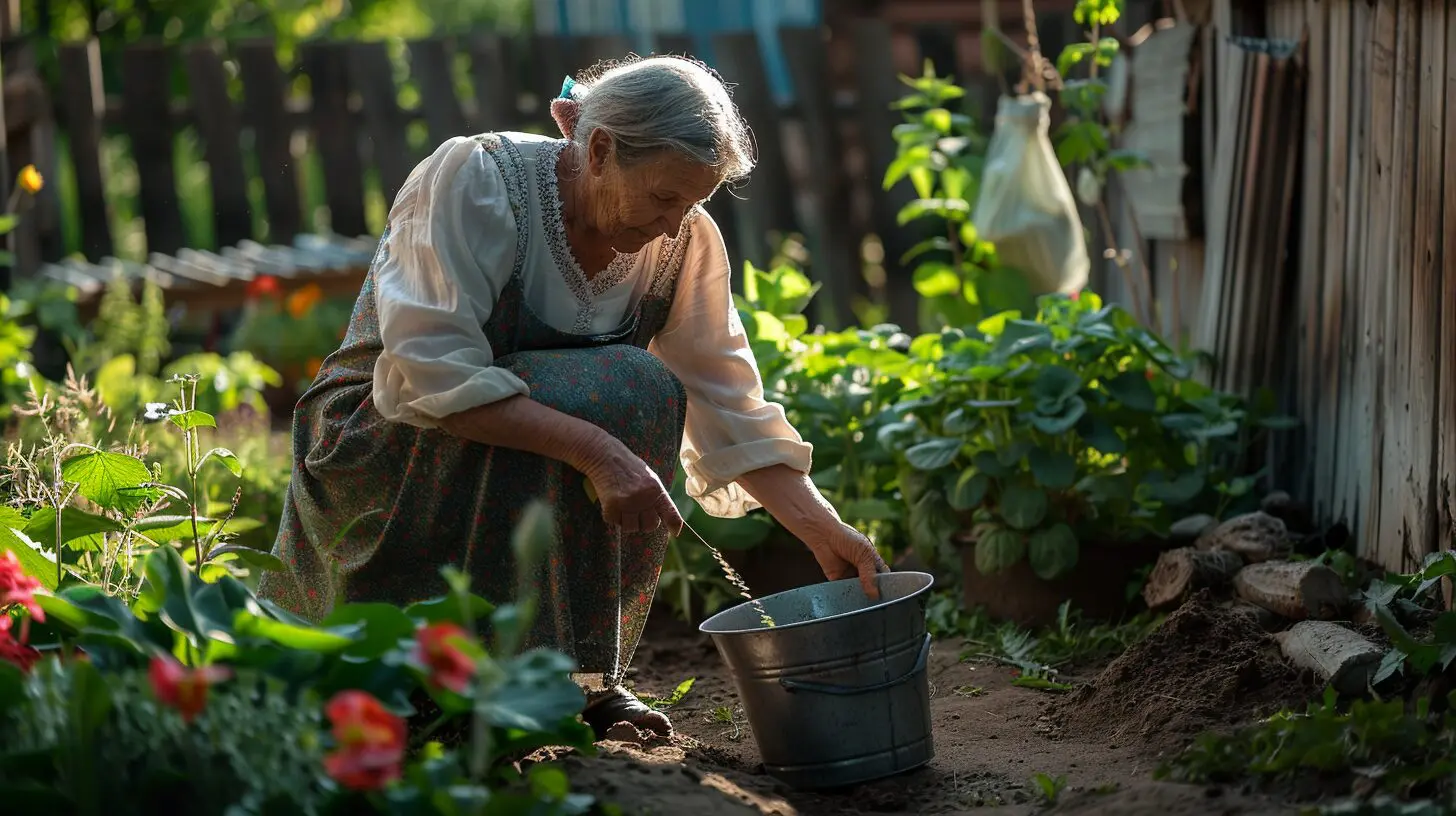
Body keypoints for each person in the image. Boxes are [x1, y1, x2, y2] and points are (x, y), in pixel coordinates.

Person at [258, 55, 889, 738]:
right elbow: (430, 374)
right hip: (384, 440)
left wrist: (826, 531)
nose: (676, 225)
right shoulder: (477, 183)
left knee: (636, 391)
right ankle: (428, 682)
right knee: (621, 385)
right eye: (664, 199)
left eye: (693, 204)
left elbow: (728, 397)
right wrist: (598, 451)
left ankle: (580, 684)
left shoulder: (680, 242)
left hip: (503, 449)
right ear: (598, 149)